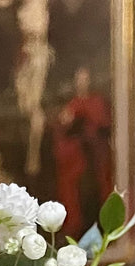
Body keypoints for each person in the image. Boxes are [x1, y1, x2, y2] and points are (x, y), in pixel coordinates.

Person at [53, 65, 112, 234]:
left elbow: (103, 127)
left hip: (96, 160)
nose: (82, 82)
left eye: (85, 79)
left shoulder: (97, 102)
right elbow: (63, 136)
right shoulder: (70, 106)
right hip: (78, 164)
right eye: (79, 79)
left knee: (99, 195)